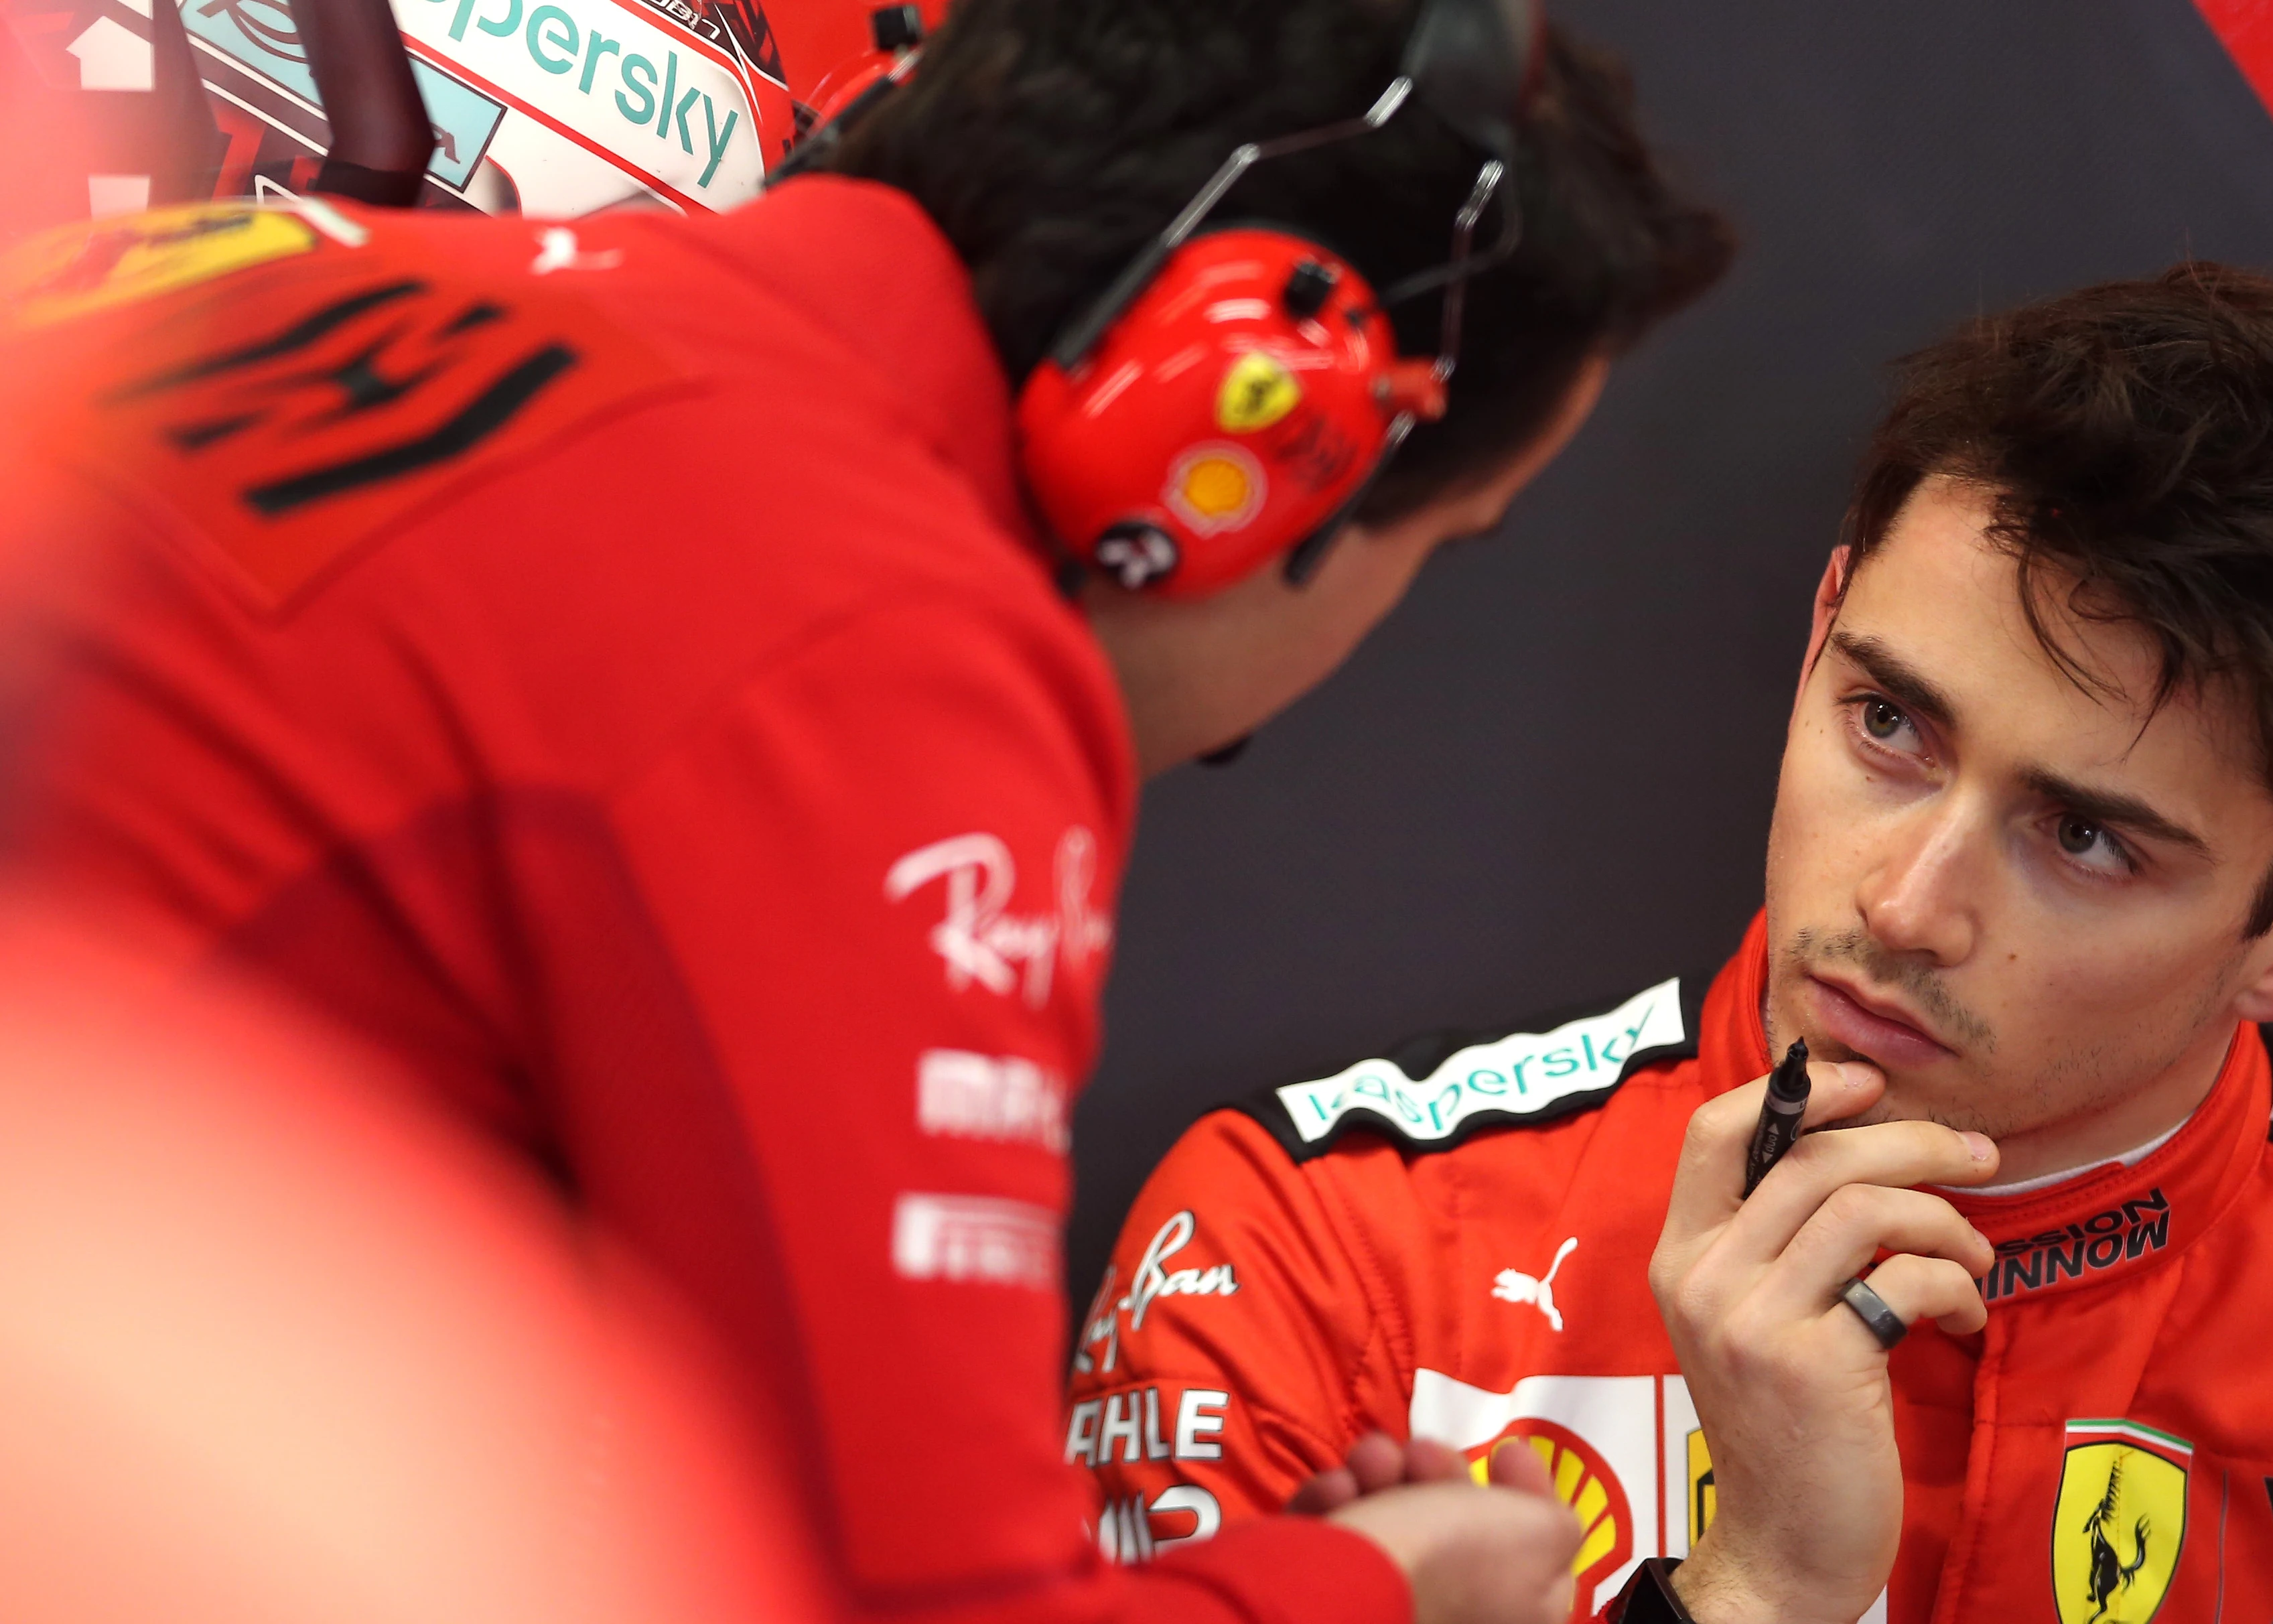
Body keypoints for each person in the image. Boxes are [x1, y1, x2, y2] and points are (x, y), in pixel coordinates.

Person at [0, 0, 1731, 1621]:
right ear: (1239, 436)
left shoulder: (310, 272)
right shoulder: (871, 630)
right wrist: (1390, 1587)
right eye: (1445, 546)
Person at [1070, 264, 2273, 1623]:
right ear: (1821, 629)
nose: (1902, 907)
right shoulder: (1322, 1256)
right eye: (1890, 728)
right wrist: (1757, 1592)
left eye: (2082, 837)